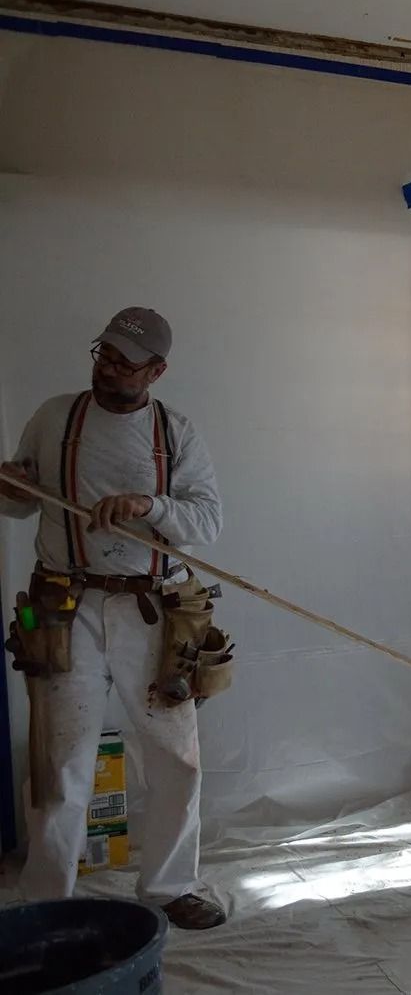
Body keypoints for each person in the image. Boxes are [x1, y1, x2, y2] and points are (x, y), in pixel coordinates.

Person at [0, 307, 227, 929]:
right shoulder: (55, 416)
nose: (109, 371)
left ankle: (169, 886)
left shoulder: (175, 432)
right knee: (59, 760)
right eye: (103, 355)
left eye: (126, 364)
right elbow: (20, 504)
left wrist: (150, 505)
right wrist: (12, 487)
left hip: (153, 613)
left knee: (174, 757)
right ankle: (46, 901)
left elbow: (207, 522)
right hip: (64, 608)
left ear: (157, 370)